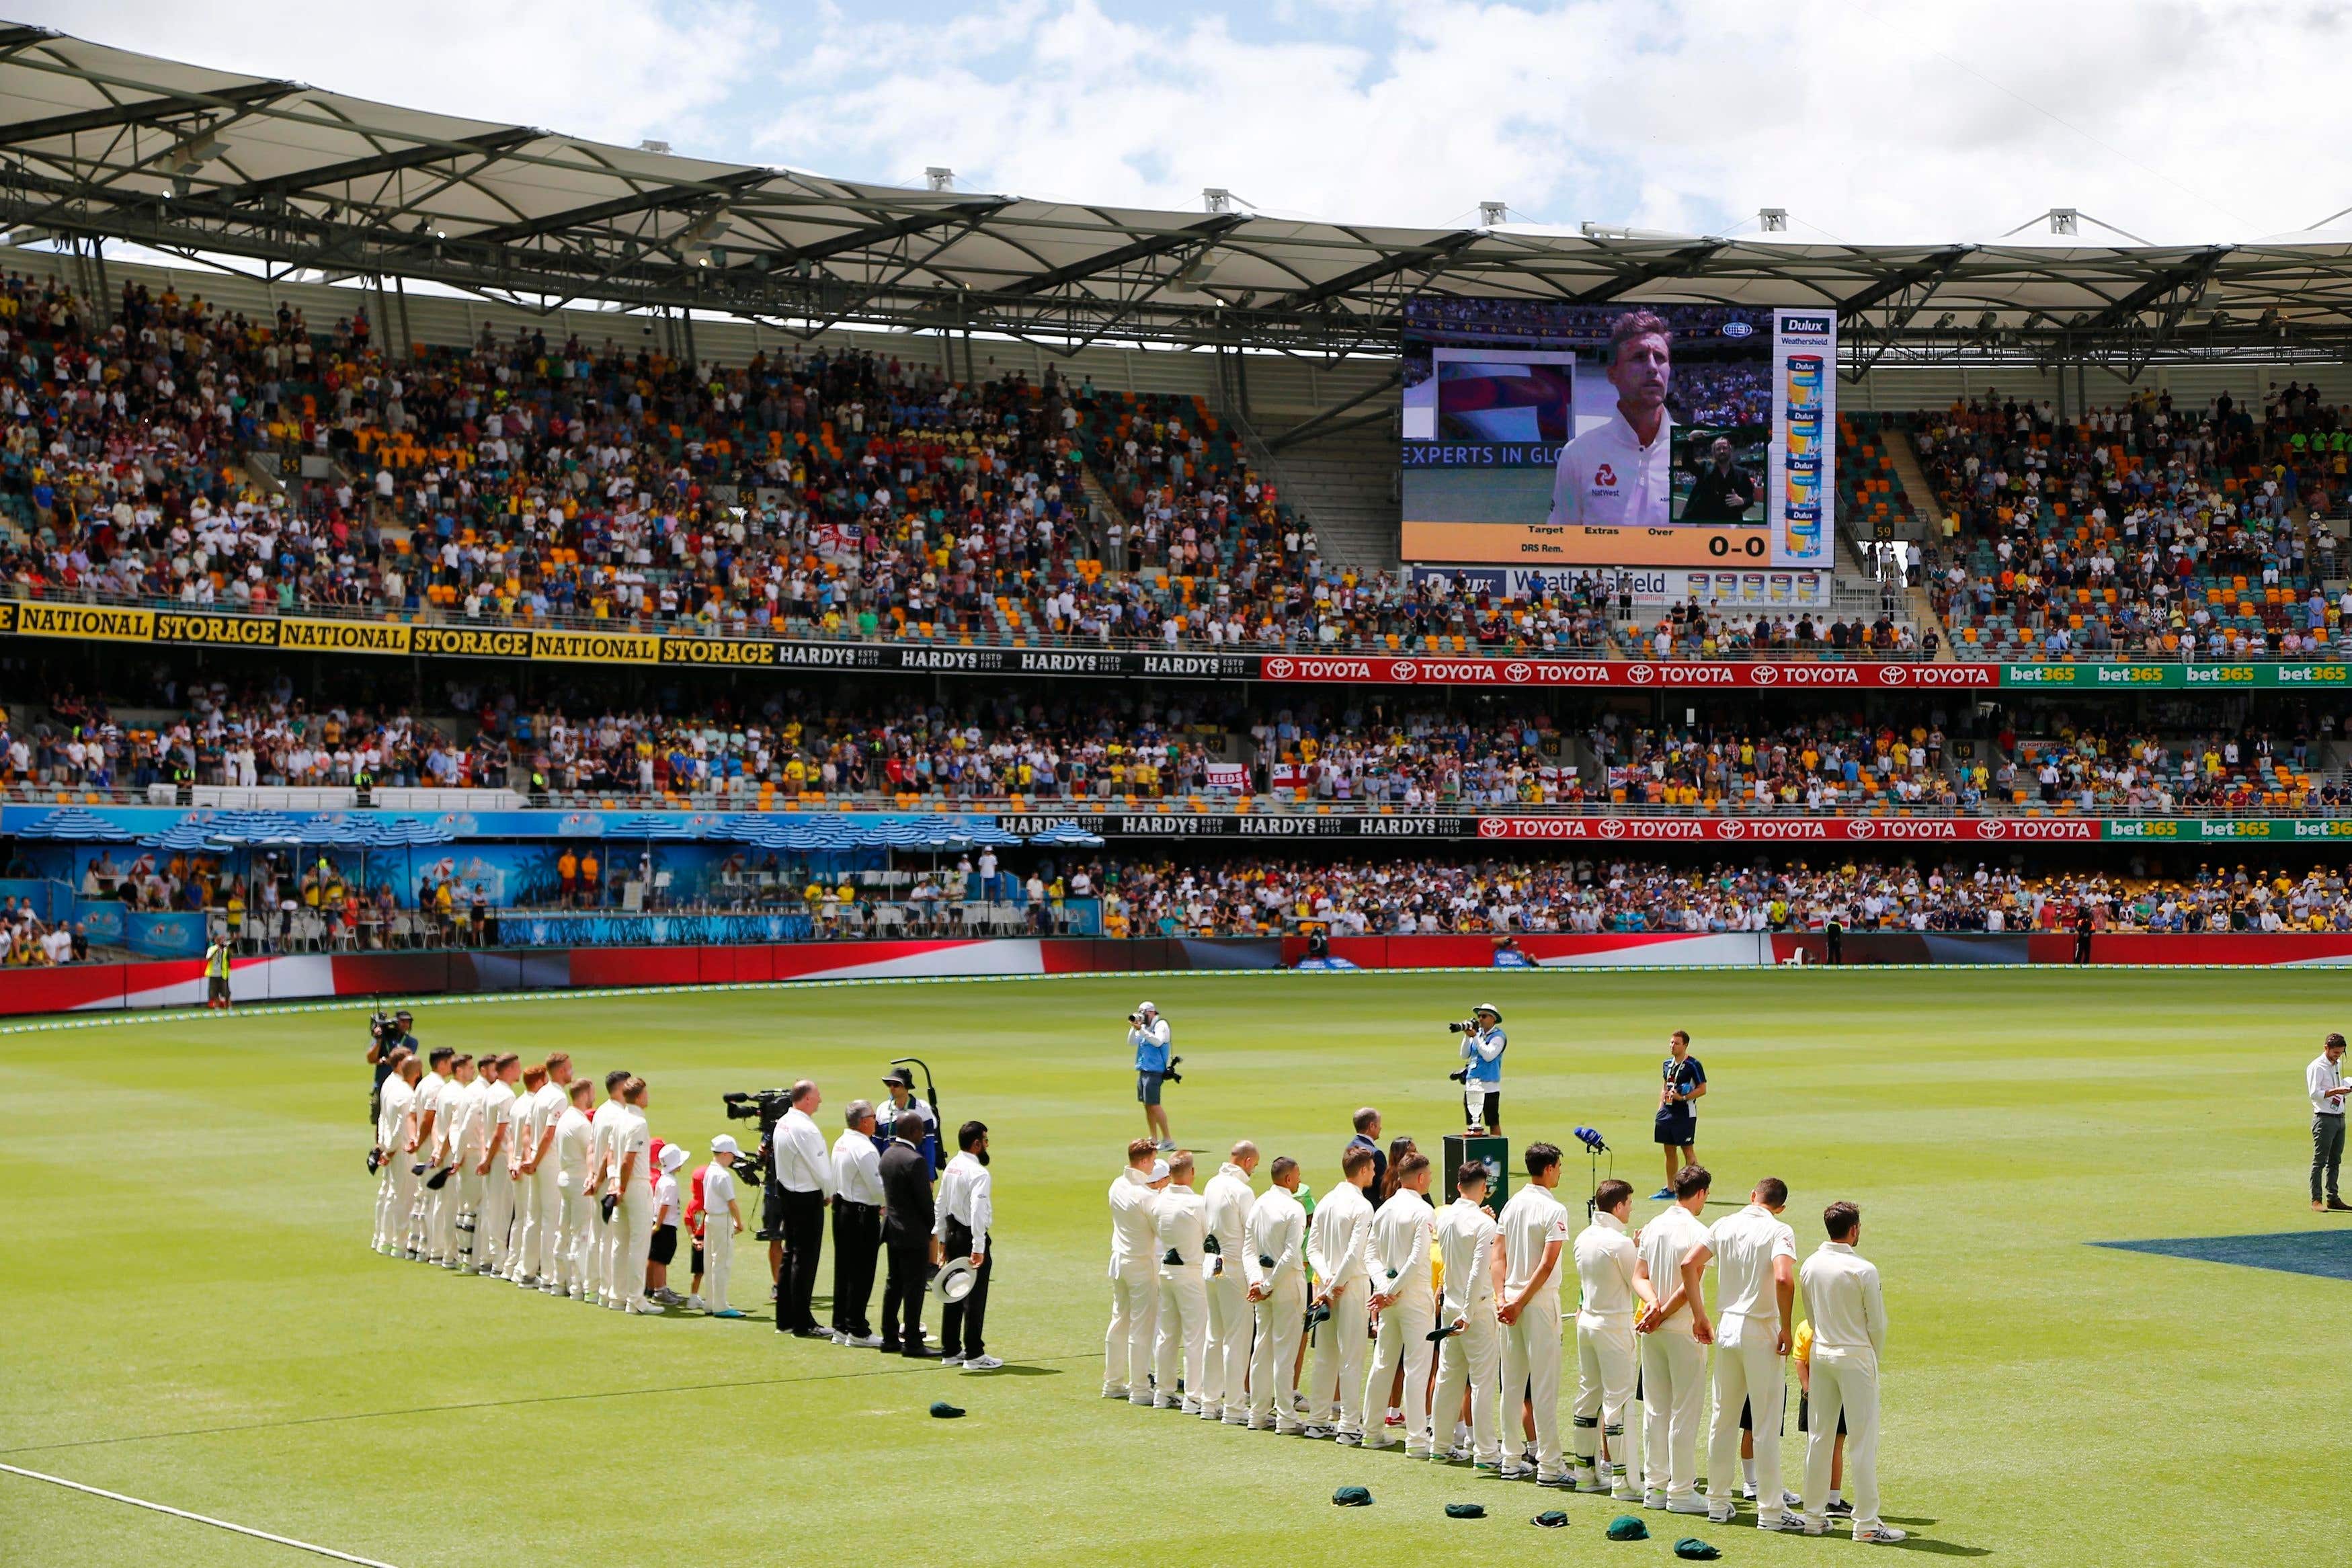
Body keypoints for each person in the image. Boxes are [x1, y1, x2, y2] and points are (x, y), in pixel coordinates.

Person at [1689, 1177, 1802, 1531]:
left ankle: (1718, 1504)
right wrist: (1786, 1326)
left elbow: (1689, 1264)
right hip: (1760, 1328)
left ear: (1752, 1196)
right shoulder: (1780, 1229)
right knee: (1765, 1423)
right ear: (1780, 1206)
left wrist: (1700, 1316)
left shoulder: (1724, 1224)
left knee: (1722, 1418)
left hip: (1727, 1327)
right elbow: (1784, 1279)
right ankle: (1770, 1511)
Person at [1797, 1202, 1898, 1543]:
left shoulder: (1810, 1264)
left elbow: (1810, 1317)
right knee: (1862, 1441)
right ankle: (1867, 1523)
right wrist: (1872, 1356)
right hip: (1855, 1355)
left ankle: (1813, 1517)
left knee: (1819, 1436)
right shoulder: (1864, 1269)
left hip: (1822, 1351)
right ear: (1853, 1229)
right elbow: (1878, 1324)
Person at [1634, 1162, 1715, 1515]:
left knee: (1656, 1408)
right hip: (1681, 1330)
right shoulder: (1699, 1230)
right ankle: (1680, 1490)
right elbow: (1690, 1282)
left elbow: (1640, 1276)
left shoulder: (1653, 1226)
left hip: (1652, 1331)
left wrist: (1652, 1305)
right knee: (1684, 1411)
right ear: (1699, 1194)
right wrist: (1663, 1310)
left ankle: (1655, 1487)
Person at [1551, 309, 1674, 528]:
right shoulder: (1578, 455)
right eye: (1639, 357)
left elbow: (1722, 552)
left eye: (1661, 358)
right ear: (1612, 375)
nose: (1653, 367)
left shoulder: (1701, 453)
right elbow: (1561, 548)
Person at [1498, 1141, 1573, 1484]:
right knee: (1543, 1385)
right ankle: (1550, 1466)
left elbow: (1497, 1257)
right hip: (1537, 1303)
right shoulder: (1553, 1209)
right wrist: (1518, 1301)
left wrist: (1504, 1298)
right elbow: (1546, 1264)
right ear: (1548, 1169)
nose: (1559, 1172)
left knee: (1512, 1384)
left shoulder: (1512, 1204)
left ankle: (1511, 1460)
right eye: (1558, 1166)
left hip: (1511, 1300)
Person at [1571, 1175, 1651, 1499]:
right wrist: (1640, 1248)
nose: (1631, 1208)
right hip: (1612, 1326)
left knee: (1588, 1395)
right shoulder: (1619, 1243)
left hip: (1587, 1322)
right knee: (1617, 1401)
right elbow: (1638, 1280)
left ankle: (1584, 1474)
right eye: (1629, 1203)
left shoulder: (1583, 1237)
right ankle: (1624, 1481)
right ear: (1618, 1206)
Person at [1362, 1150, 1438, 1456]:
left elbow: (1370, 1255)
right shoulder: (1423, 1211)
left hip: (1390, 1297)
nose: (1430, 1179)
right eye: (1429, 1175)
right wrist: (1390, 1288)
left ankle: (1371, 1431)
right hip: (1414, 1296)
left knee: (1383, 1362)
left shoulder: (1384, 1209)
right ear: (1420, 1178)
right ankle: (1417, 1440)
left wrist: (1384, 1288)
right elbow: (1418, 1258)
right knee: (1417, 1367)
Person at [1430, 1161, 1504, 1470]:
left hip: (1452, 1304)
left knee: (1449, 1377)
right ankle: (1486, 1453)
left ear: (1459, 1186)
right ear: (1483, 1188)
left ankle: (1440, 1445)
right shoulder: (1484, 1223)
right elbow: (1477, 1271)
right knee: (1483, 1381)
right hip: (1474, 1309)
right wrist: (1469, 1313)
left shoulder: (1445, 1217)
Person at [1304, 1143, 1377, 1442]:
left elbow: (1313, 1248)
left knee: (1326, 1356)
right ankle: (1348, 1424)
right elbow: (1354, 1252)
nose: (1374, 1173)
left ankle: (1317, 1420)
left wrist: (1326, 1282)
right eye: (1372, 1168)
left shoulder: (1326, 1201)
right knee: (1351, 1356)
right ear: (1362, 1170)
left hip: (1327, 1286)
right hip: (1350, 1285)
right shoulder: (1362, 1206)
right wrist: (1335, 1284)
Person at [1244, 1155, 1310, 1434]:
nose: (1298, 1180)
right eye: (1296, 1176)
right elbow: (1290, 1253)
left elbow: (1248, 1249)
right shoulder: (1293, 1209)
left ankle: (1258, 1414)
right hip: (1286, 1284)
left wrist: (1256, 1282)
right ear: (1288, 1179)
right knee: (1284, 1351)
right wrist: (1266, 1285)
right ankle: (1285, 1417)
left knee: (1262, 1348)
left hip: (1262, 1284)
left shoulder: (1258, 1204)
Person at [1199, 1140, 1260, 1423]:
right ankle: (1234, 1407)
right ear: (1247, 1162)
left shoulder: (1212, 1183)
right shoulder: (1243, 1190)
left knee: (1215, 1334)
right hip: (1233, 1268)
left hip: (1211, 1264)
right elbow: (1253, 1233)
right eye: (1255, 1166)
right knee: (1236, 1337)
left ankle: (1210, 1402)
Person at [771, 1080, 834, 1339]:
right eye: (817, 1096)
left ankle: (785, 1318)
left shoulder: (783, 1122)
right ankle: (802, 1321)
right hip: (805, 1197)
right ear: (806, 1099)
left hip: (787, 1191)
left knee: (790, 1255)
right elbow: (820, 1167)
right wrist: (830, 1192)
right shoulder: (806, 1129)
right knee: (805, 1260)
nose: (820, 1100)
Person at [879, 1110, 942, 1357]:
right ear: (914, 1132)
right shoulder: (915, 1161)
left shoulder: (888, 1154)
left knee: (893, 1283)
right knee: (914, 1288)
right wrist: (932, 1230)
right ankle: (913, 1342)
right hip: (913, 1234)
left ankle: (889, 1337)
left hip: (892, 1230)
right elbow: (925, 1203)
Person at [936, 1120, 998, 1370]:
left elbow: (940, 1202)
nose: (986, 1145)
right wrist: (979, 1247)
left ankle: (950, 1350)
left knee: (953, 1292)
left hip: (952, 1234)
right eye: (985, 1140)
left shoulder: (952, 1166)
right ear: (976, 1144)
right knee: (974, 1297)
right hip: (969, 1237)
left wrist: (941, 1239)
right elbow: (978, 1210)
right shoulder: (979, 1173)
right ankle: (974, 1354)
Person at [1105, 1137, 1163, 1403]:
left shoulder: (1117, 1185)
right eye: (1151, 1161)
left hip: (1120, 1261)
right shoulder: (1146, 1196)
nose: (1154, 1166)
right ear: (1142, 1161)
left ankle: (1113, 1383)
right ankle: (1140, 1388)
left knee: (1120, 1322)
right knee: (1141, 1327)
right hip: (1140, 1264)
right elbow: (1162, 1229)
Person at [1152, 1149, 1208, 1408]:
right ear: (1192, 1173)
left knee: (1167, 1333)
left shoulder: (1159, 1201)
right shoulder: (1198, 1203)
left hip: (1167, 1271)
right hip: (1190, 1272)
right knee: (1195, 1336)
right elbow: (1210, 1236)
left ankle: (1163, 1392)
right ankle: (1193, 1397)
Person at [831, 1100, 885, 1345]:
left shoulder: (841, 1142)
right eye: (873, 1116)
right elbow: (878, 1190)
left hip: (843, 1209)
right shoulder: (865, 1149)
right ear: (864, 1122)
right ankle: (858, 1330)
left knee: (844, 1270)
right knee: (862, 1272)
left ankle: (841, 1326)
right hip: (862, 1213)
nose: (876, 1120)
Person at [1793, 1314, 1851, 1518]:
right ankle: (1833, 1500)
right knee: (1835, 1446)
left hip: (1811, 1394)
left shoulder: (1804, 1327)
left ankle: (1813, 1499)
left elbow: (1799, 1360)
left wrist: (1808, 1390)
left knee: (1815, 1445)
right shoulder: (1841, 1324)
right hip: (1837, 1391)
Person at [585, 1067, 633, 1307]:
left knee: (599, 1236)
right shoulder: (618, 1115)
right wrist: (600, 1179)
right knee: (611, 1239)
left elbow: (592, 1146)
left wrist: (592, 1175)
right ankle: (609, 1290)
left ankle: (595, 1288)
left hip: (600, 1180)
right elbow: (608, 1152)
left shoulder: (602, 1111)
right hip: (608, 1182)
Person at [405, 1046, 452, 1262]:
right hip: (431, 1146)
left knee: (423, 1195)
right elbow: (428, 1119)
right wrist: (421, 1142)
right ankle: (432, 1248)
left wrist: (414, 1138)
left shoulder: (423, 1083)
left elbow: (412, 1115)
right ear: (442, 1064)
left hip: (424, 1144)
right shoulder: (438, 1086)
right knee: (434, 1198)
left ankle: (417, 1245)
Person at [551, 1079, 595, 1299]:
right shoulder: (581, 1123)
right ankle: (578, 1286)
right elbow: (592, 1153)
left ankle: (560, 1282)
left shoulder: (566, 1117)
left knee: (564, 1230)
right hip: (578, 1181)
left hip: (565, 1178)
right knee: (581, 1233)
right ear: (585, 1094)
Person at [616, 1076, 657, 1314]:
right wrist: (621, 1187)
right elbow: (627, 1160)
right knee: (638, 1243)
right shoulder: (637, 1123)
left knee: (621, 1243)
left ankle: (618, 1296)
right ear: (640, 1096)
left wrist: (616, 1186)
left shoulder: (620, 1119)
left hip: (622, 1185)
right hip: (635, 1185)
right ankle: (635, 1300)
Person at [372, 1051, 421, 1255]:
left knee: (391, 1194)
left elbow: (382, 1119)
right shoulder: (405, 1094)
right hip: (401, 1150)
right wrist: (390, 1150)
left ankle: (383, 1238)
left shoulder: (390, 1086)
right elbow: (401, 1127)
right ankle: (398, 1243)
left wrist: (383, 1146)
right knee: (402, 1196)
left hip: (393, 1148)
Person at [1653, 1030, 1707, 1200]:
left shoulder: (1693, 1065)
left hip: (1685, 1113)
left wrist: (1682, 1097)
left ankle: (1699, 1189)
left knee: (1688, 1150)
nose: (1672, 1046)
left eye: (1676, 1043)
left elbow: (1702, 1089)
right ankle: (1671, 1189)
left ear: (1685, 1045)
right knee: (1669, 1150)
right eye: (1671, 1043)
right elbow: (1664, 1087)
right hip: (1667, 1113)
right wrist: (1660, 1108)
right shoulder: (1667, 1064)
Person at [700, 1134, 747, 1318]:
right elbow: (732, 1203)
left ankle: (711, 1302)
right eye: (733, 1156)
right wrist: (739, 1222)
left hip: (710, 1219)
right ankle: (720, 1305)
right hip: (721, 1220)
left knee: (711, 1261)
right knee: (722, 1262)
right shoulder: (723, 1175)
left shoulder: (710, 1171)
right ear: (726, 1154)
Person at [2310, 1032, 2350, 1212]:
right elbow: (2315, 1094)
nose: (2338, 1056)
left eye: (2341, 1053)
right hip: (2324, 1119)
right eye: (2335, 1053)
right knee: (2320, 1161)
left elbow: (2335, 1086)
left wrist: (2345, 1088)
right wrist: (2336, 1091)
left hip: (2339, 1117)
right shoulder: (2317, 1067)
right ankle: (2316, 1200)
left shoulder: (2337, 1064)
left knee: (2335, 1161)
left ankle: (2333, 1198)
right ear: (2326, 1047)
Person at [1129, 1001, 1174, 1153]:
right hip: (1144, 1069)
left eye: (1144, 1013)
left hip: (1155, 1071)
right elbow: (1131, 1042)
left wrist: (1141, 1031)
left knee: (1154, 1104)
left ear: (1152, 1012)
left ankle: (1168, 1140)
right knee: (1147, 1105)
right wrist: (1134, 1027)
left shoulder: (1161, 1025)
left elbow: (1158, 1042)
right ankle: (1153, 1138)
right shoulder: (1145, 1027)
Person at [1681, 434, 1757, 523]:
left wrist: (1742, 501)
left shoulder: (1742, 473)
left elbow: (1750, 498)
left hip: (1731, 522)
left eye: (1725, 448)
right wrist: (1691, 438)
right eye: (1718, 449)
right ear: (1714, 453)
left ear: (1730, 450)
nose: (1722, 451)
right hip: (1707, 522)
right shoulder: (1704, 468)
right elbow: (1687, 463)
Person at [647, 1143, 688, 1307]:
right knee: (661, 1260)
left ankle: (657, 1288)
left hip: (661, 1223)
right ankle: (660, 1290)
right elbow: (665, 1205)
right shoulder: (670, 1183)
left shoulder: (664, 1179)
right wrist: (658, 1225)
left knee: (657, 1258)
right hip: (666, 1225)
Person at [1457, 1003, 1506, 1131]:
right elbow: (1464, 1054)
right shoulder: (1478, 1035)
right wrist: (1467, 1037)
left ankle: (1496, 1149)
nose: (1480, 1020)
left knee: (1493, 1121)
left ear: (1493, 1018)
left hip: (1489, 1085)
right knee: (1472, 1122)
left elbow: (1489, 1055)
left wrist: (1476, 1037)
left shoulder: (1498, 1037)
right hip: (1472, 1082)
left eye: (1484, 1016)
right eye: (1479, 1016)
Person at [1347, 1108, 1387, 1194]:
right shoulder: (1376, 1154)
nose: (1381, 1128)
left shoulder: (1349, 1148)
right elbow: (1384, 1188)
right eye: (1379, 1124)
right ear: (1372, 1126)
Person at [203, 932, 232, 1009]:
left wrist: (225, 948)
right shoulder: (212, 949)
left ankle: (229, 1007)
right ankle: (217, 1007)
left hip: (223, 973)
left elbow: (229, 959)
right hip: (213, 974)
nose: (221, 941)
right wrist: (217, 949)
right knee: (214, 992)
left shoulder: (226, 949)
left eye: (222, 940)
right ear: (216, 941)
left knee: (226, 992)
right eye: (219, 940)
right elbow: (208, 958)